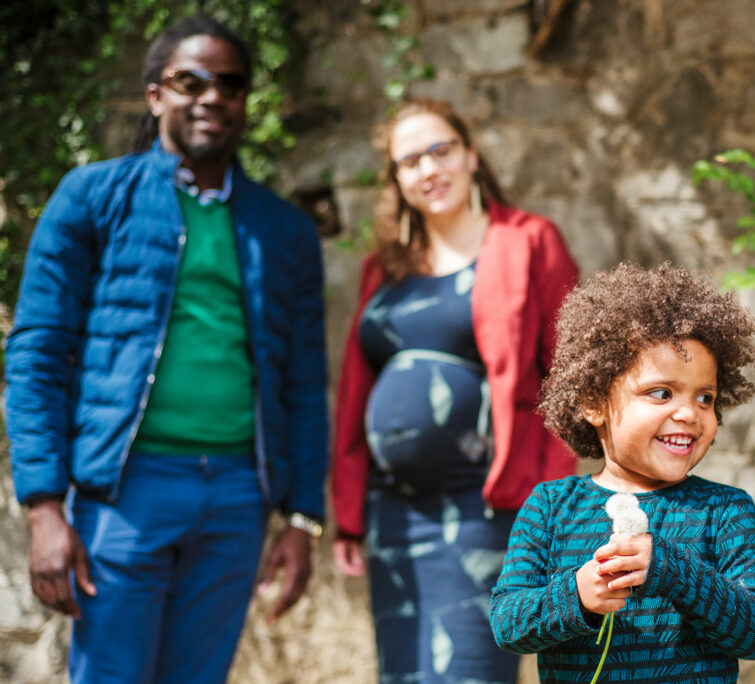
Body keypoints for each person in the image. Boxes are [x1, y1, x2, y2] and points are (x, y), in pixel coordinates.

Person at [4, 16, 327, 684]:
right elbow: (37, 354)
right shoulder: (92, 198)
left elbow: (302, 383)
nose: (212, 96)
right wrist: (43, 507)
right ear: (156, 94)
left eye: (230, 85)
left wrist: (301, 518)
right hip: (124, 493)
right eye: (191, 80)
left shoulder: (284, 230)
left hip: (238, 497)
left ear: (244, 103)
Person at [331, 97, 579, 682]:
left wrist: (552, 510)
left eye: (440, 150)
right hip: (393, 512)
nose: (428, 169)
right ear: (396, 180)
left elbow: (567, 382)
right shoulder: (384, 267)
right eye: (409, 161)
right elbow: (353, 393)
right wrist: (346, 514)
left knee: (471, 670)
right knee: (404, 672)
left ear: (470, 155)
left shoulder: (529, 241)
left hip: (488, 505)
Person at [489, 263, 755, 683]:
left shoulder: (725, 510)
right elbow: (506, 624)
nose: (689, 413)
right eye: (661, 393)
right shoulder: (550, 507)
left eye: (705, 397)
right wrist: (576, 596)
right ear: (594, 403)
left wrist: (671, 569)